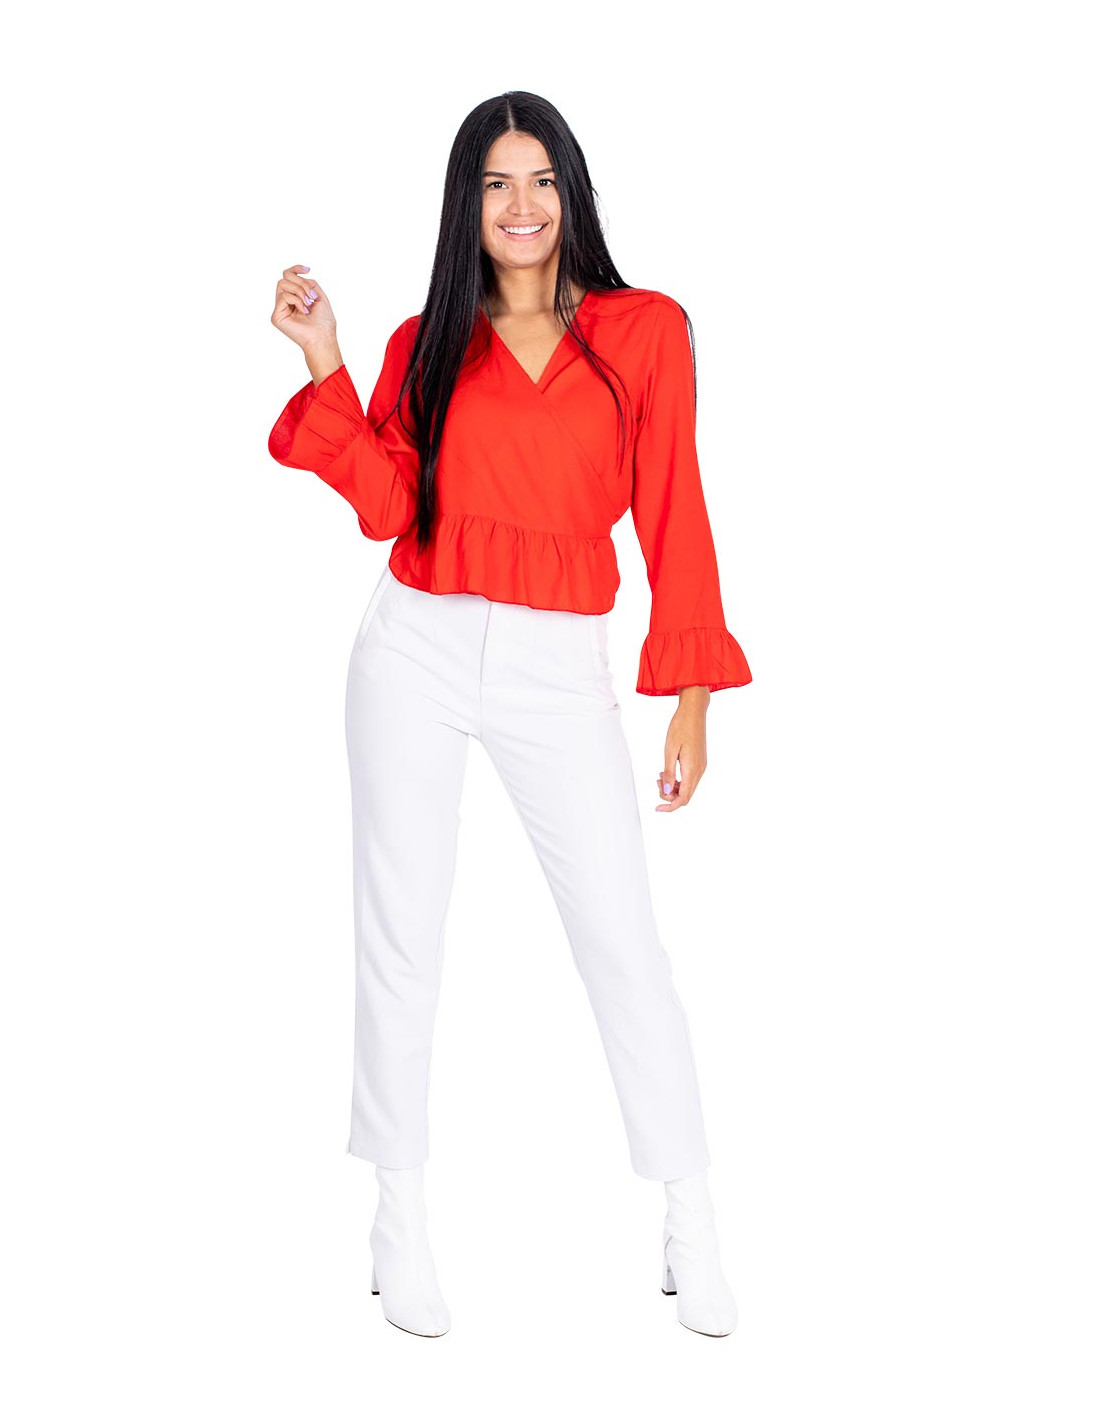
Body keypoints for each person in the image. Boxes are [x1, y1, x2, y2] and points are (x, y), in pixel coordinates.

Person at [267, 91, 752, 1339]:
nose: (520, 205)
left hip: (556, 667)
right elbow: (388, 507)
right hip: (414, 650)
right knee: (401, 934)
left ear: (570, 191)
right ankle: (398, 1216)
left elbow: (675, 512)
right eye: (493, 183)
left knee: (622, 942)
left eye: (538, 179)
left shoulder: (643, 332)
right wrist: (323, 359)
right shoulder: (427, 341)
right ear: (465, 204)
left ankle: (690, 1218)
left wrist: (689, 696)